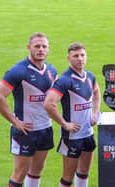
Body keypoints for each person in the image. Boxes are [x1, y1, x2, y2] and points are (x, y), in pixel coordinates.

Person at [0, 32, 57, 187]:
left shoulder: (51, 70)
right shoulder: (18, 71)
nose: (41, 49)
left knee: (37, 170)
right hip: (25, 131)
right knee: (20, 173)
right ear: (29, 47)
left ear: (48, 49)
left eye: (44, 46)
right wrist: (15, 122)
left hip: (45, 128)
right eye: (37, 46)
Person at [44, 42, 101, 187]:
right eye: (76, 56)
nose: (80, 59)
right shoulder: (64, 80)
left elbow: (96, 92)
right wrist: (64, 124)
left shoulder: (90, 77)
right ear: (69, 58)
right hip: (72, 137)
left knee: (83, 174)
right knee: (67, 179)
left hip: (88, 133)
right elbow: (49, 104)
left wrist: (95, 113)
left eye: (82, 55)